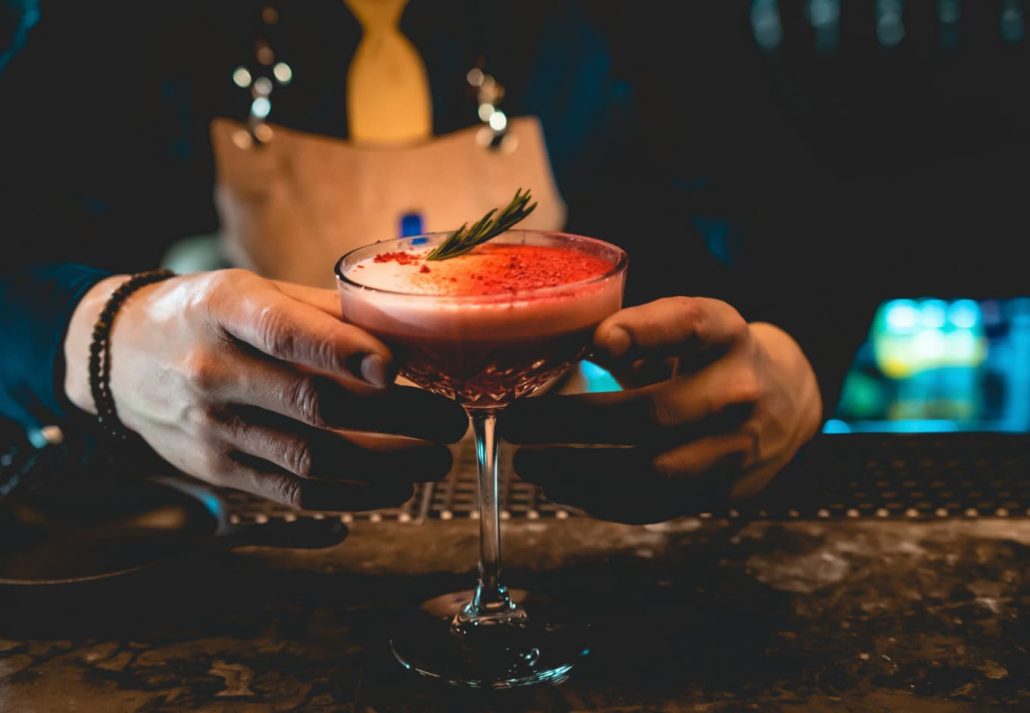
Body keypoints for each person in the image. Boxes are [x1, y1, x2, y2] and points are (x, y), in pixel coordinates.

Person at [0, 1, 910, 521]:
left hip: (559, 503)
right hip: (254, 516)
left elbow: (810, 221)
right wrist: (104, 342)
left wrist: (794, 361)